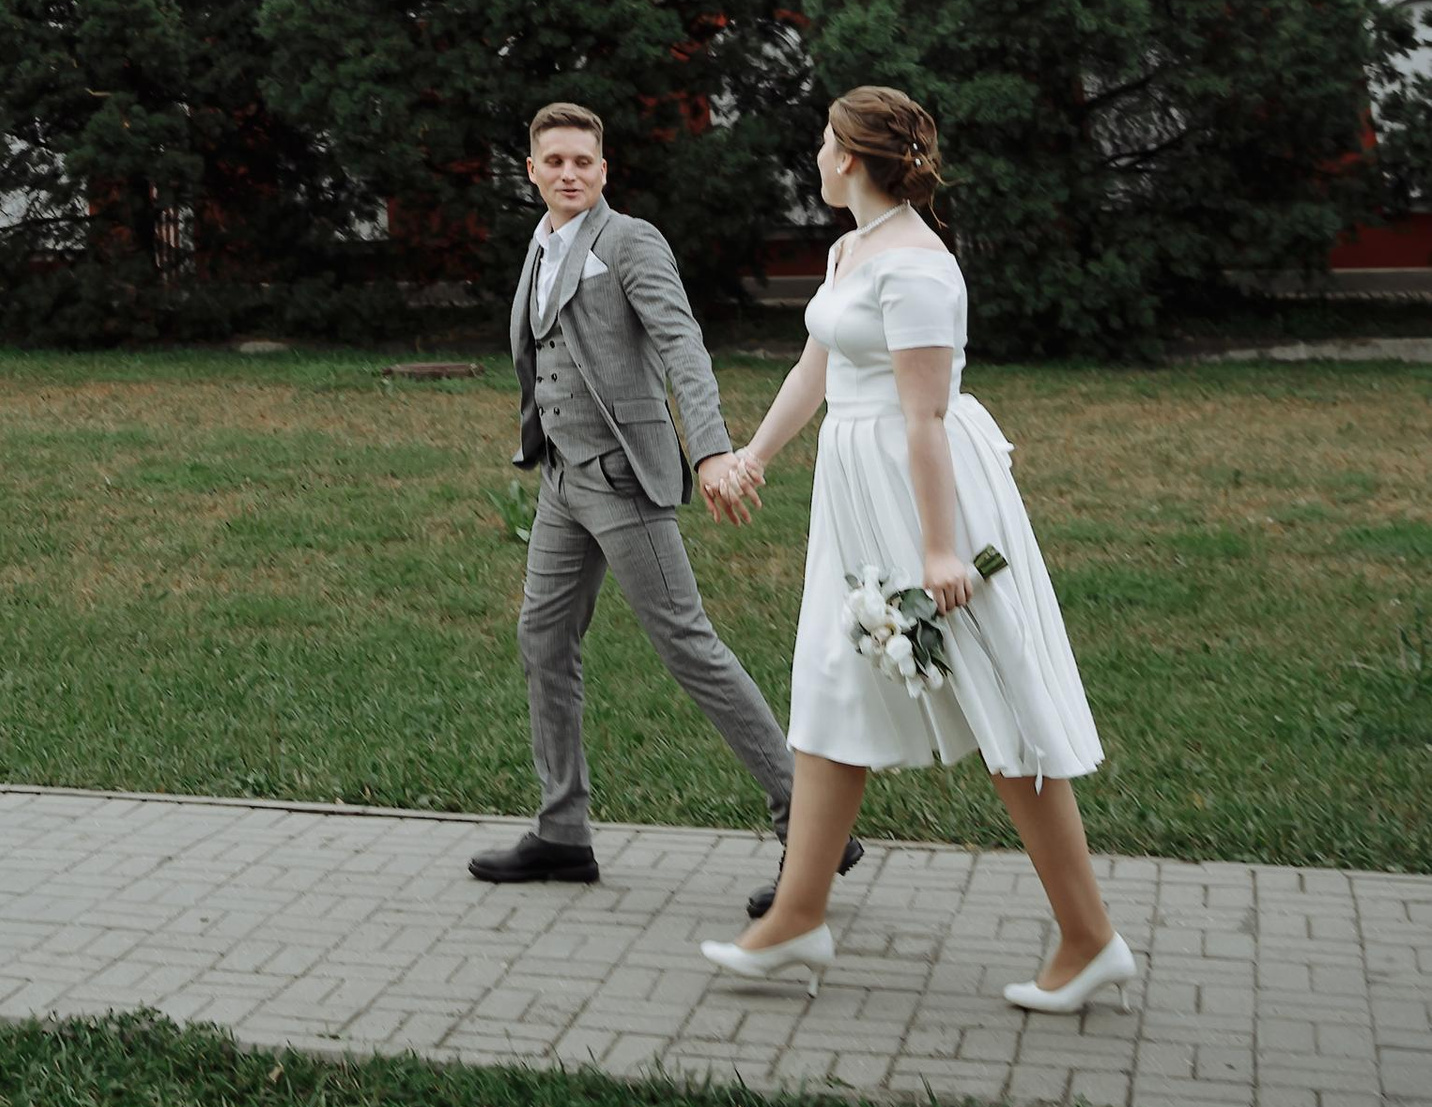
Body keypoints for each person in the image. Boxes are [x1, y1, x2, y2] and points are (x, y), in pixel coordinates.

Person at [697, 86, 1131, 1014]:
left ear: (850, 157)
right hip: (855, 499)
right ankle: (799, 914)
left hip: (924, 497)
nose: (814, 155)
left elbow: (926, 415)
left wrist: (943, 552)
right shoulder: (851, 247)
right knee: (828, 681)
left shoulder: (921, 267)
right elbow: (822, 360)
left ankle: (1090, 937)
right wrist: (754, 455)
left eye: (822, 140)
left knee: (1002, 707)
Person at [469, 101, 822, 890]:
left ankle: (808, 819)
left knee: (687, 644)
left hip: (625, 477)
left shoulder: (628, 240)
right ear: (530, 170)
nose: (568, 173)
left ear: (604, 170)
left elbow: (681, 344)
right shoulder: (540, 247)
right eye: (553, 161)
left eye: (582, 162)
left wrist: (711, 448)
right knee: (543, 640)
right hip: (564, 480)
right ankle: (563, 831)